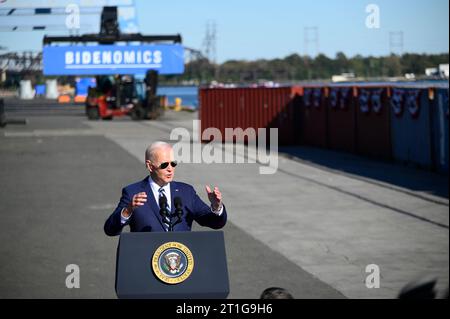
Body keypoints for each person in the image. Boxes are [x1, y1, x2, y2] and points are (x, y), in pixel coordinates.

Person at [104, 141, 227, 236]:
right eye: (164, 165)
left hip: (181, 263)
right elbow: (110, 230)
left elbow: (215, 223)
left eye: (173, 164)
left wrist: (216, 207)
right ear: (150, 166)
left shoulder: (186, 192)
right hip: (147, 261)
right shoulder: (133, 192)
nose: (170, 169)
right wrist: (128, 210)